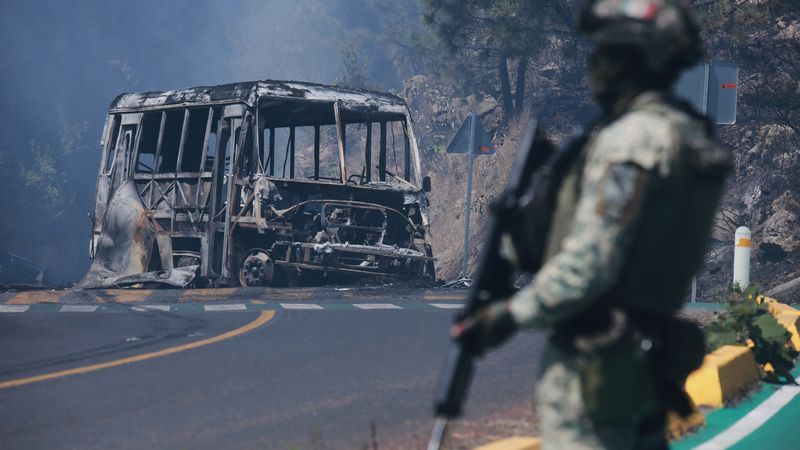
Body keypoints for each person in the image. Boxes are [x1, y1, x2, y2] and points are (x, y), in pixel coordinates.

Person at [453, 1, 733, 448]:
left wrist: (508, 315)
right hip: (647, 361)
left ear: (630, 60)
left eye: (605, 53)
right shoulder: (690, 137)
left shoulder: (633, 143)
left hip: (596, 369)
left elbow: (593, 261)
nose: (594, 67)